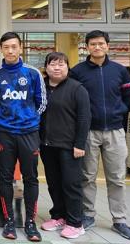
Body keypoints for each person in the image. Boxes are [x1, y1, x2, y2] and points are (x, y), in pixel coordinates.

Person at [70, 30, 130, 240]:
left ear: (107, 46)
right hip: (88, 131)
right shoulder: (77, 72)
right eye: (93, 44)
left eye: (101, 43)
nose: (97, 47)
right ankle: (88, 215)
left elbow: (128, 97)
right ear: (87, 47)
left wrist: (118, 112)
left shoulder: (120, 71)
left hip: (115, 131)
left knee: (117, 178)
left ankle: (119, 219)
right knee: (87, 177)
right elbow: (73, 99)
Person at [0, 32, 46, 242]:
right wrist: (4, 120)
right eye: (6, 47)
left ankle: (30, 222)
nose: (10, 51)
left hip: (29, 133)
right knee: (5, 177)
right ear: (1, 49)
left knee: (30, 177)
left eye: (14, 46)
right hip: (4, 133)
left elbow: (42, 102)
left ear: (20, 48)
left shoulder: (32, 73)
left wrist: (29, 120)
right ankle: (9, 221)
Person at [39, 52, 91, 239]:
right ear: (46, 67)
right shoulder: (41, 87)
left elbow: (84, 118)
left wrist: (80, 144)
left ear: (68, 67)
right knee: (54, 183)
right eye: (52, 64)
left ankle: (75, 222)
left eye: (61, 64)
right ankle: (58, 216)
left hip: (70, 146)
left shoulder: (77, 88)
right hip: (47, 145)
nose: (57, 68)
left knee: (71, 184)